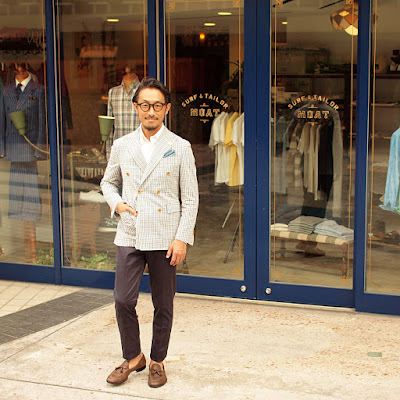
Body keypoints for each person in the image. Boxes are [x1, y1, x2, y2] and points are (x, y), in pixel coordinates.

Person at [101, 77, 199, 388]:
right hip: (130, 231)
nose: (151, 111)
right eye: (145, 105)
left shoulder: (180, 147)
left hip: (165, 235)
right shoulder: (122, 145)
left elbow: (191, 198)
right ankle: (133, 357)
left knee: (163, 303)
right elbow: (107, 182)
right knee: (122, 299)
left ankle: (157, 360)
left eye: (157, 105)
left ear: (167, 109)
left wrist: (182, 237)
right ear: (136, 108)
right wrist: (117, 204)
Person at [106, 65, 140, 160]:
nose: (128, 71)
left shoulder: (144, 91)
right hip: (119, 152)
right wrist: (109, 156)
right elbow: (109, 126)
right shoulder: (113, 93)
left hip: (140, 152)